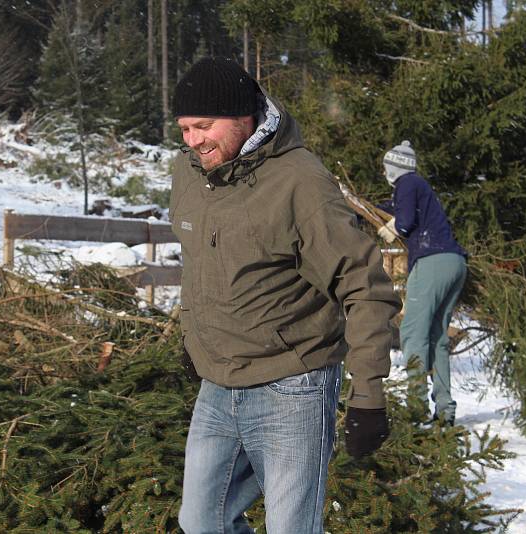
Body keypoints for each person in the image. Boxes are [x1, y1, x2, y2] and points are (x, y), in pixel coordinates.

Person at [170, 56, 401, 534]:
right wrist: (193, 338)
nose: (193, 141)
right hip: (218, 385)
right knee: (200, 521)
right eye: (184, 129)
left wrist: (369, 394)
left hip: (293, 386)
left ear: (242, 116)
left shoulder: (300, 182)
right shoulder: (189, 172)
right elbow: (196, 259)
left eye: (203, 126)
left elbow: (365, 285)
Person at [377, 141, 468, 425]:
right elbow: (393, 208)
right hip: (455, 263)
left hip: (432, 263)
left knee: (413, 335)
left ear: (394, 167)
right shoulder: (419, 187)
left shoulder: (407, 182)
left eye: (386, 167)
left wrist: (393, 228)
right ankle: (445, 409)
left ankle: (415, 408)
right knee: (438, 339)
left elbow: (403, 222)